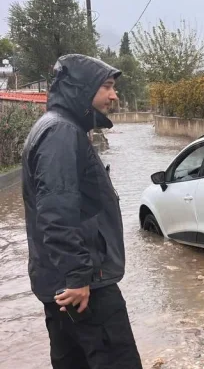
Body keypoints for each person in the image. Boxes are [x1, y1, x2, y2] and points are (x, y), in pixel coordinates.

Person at [22, 54, 142, 368]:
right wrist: (77, 276)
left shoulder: (58, 128)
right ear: (81, 88)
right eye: (107, 87)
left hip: (67, 282)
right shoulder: (61, 133)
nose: (114, 95)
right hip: (85, 288)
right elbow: (56, 211)